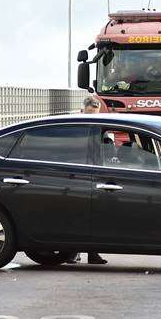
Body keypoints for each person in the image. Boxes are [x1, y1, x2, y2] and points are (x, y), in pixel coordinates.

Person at [71, 96, 108, 265]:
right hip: (78, 178)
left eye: (95, 114)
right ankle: (72, 252)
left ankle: (92, 253)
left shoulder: (102, 132)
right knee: (77, 216)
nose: (92, 118)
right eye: (89, 114)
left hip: (95, 178)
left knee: (94, 218)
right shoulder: (75, 130)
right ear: (82, 111)